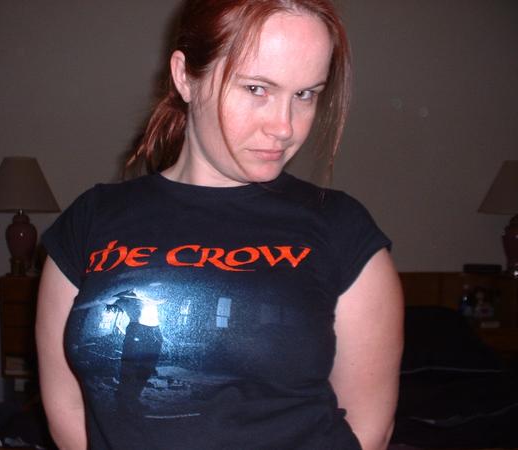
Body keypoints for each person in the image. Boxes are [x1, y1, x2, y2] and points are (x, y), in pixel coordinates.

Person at [36, 0, 404, 449]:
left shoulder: (342, 228)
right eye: (256, 88)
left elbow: (369, 428)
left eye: (306, 94)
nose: (285, 127)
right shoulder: (91, 219)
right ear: (185, 76)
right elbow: (69, 409)